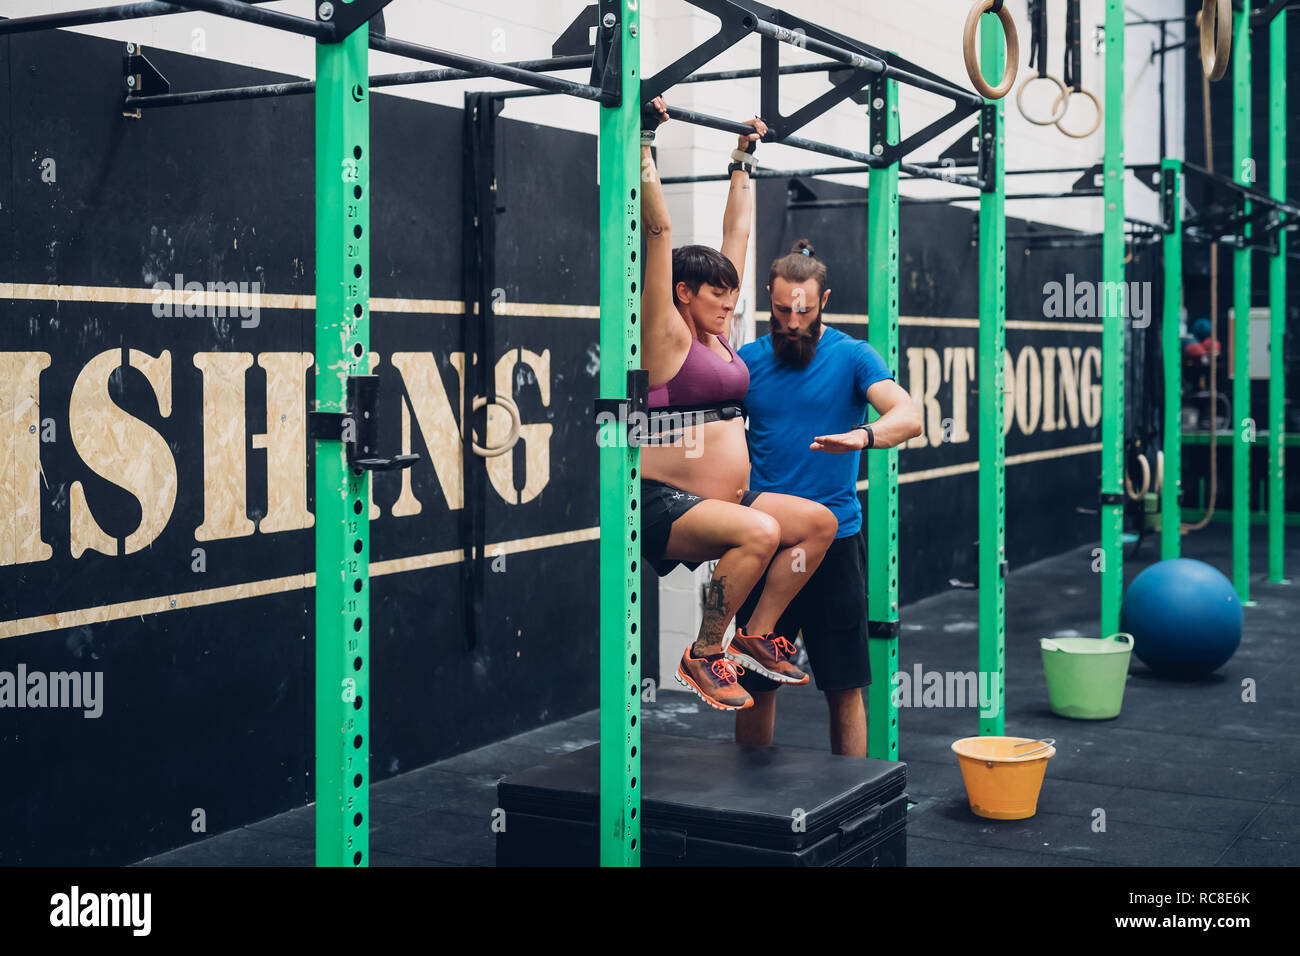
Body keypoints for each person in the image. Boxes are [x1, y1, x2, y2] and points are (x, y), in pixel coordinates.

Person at [639, 99, 838, 714]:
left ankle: (752, 635)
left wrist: (742, 160)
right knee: (764, 530)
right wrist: (644, 142)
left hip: (719, 501)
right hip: (663, 503)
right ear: (682, 295)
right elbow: (660, 233)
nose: (730, 304)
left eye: (731, 294)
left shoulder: (719, 338)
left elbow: (738, 237)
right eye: (717, 295)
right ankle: (703, 650)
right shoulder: (665, 334)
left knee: (816, 524)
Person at [732, 240, 922, 755]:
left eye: (804, 311)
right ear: (768, 298)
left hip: (834, 544)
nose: (792, 323)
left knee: (844, 688)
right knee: (754, 682)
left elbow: (908, 417)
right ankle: (749, 805)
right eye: (780, 310)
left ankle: (852, 809)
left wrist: (862, 435)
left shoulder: (854, 357)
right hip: (764, 542)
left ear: (824, 301)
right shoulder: (746, 364)